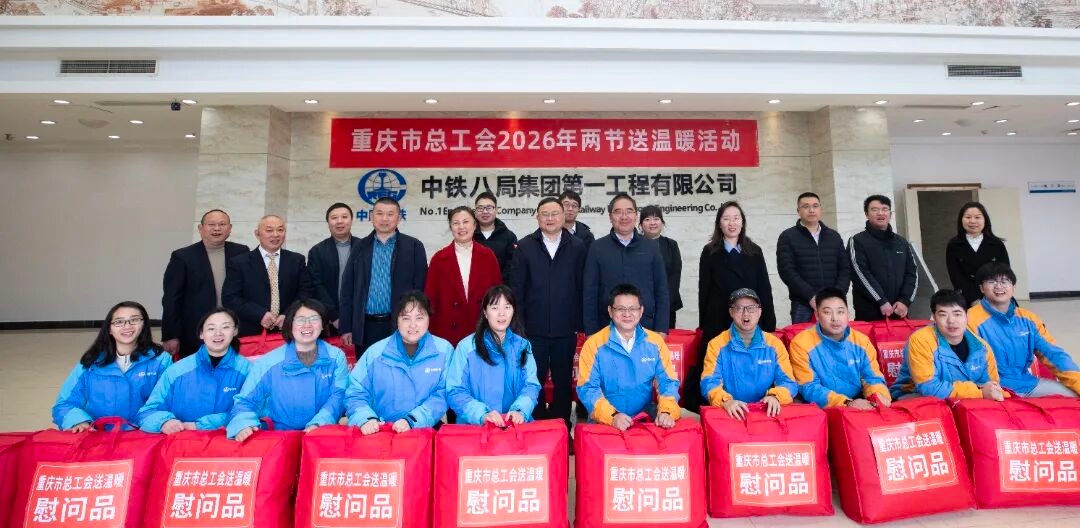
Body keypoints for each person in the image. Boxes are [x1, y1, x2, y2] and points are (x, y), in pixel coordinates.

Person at [506, 197, 587, 429]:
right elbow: (516, 289)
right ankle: (538, 425)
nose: (550, 218)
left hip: (566, 328)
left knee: (563, 381)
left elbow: (583, 286)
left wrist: (580, 323)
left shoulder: (578, 246)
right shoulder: (524, 246)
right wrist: (518, 326)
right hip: (533, 329)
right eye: (545, 214)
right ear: (537, 217)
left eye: (554, 214)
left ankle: (562, 426)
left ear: (563, 216)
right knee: (534, 379)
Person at [692, 201, 775, 412]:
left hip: (749, 316)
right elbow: (704, 290)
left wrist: (768, 323)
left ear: (742, 222)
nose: (732, 223)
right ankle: (720, 404)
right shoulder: (710, 251)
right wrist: (704, 324)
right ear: (719, 223)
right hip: (719, 317)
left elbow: (764, 288)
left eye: (736, 218)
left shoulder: (754, 251)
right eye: (726, 218)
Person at [227, 299, 348, 440]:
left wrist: (318, 424)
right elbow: (245, 401)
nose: (307, 325)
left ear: (322, 325)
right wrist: (244, 425)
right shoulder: (269, 362)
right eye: (300, 320)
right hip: (280, 437)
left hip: (322, 434)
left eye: (314, 319)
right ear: (290, 325)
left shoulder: (336, 357)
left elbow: (338, 396)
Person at [53, 301, 172, 431]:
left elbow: (170, 402)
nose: (127, 326)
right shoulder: (92, 361)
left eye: (134, 320)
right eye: (119, 322)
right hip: (98, 434)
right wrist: (78, 421)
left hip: (144, 434)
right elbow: (65, 404)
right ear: (109, 329)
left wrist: (161, 422)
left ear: (144, 325)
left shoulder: (160, 360)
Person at [346, 291, 454, 432]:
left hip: (425, 428)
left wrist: (412, 420)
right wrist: (366, 419)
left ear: (429, 318)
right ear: (397, 320)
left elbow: (444, 393)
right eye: (406, 318)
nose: (413, 325)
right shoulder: (376, 353)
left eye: (419, 318)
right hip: (382, 430)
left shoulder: (444, 350)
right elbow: (356, 392)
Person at [577, 284, 681, 430]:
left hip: (645, 417)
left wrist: (666, 412)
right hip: (605, 421)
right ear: (610, 311)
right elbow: (587, 388)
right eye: (620, 309)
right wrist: (612, 416)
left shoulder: (655, 342)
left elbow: (668, 382)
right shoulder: (593, 344)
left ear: (641, 311)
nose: (627, 314)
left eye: (633, 309)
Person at [967, 263, 1079, 397]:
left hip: (1028, 384)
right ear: (981, 288)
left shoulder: (1028, 319)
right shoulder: (970, 320)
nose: (998, 286)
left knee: (1073, 397)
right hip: (994, 390)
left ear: (1013, 288)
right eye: (991, 282)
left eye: (1004, 281)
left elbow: (1054, 355)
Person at [137, 308, 251, 433]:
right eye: (211, 328)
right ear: (201, 334)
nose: (218, 333)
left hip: (230, 442)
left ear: (235, 331)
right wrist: (164, 422)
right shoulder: (177, 370)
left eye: (225, 327)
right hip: (184, 441)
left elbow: (256, 411)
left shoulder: (248, 370)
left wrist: (203, 425)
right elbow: (147, 412)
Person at [340, 197, 428, 356]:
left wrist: (417, 324)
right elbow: (348, 288)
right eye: (379, 213)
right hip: (366, 326)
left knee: (401, 367)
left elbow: (420, 288)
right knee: (369, 368)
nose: (384, 219)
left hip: (401, 325)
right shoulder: (359, 247)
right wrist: (346, 327)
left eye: (390, 214)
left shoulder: (414, 246)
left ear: (399, 218)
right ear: (371, 217)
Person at [445, 285, 540, 426]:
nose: (502, 314)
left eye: (507, 307)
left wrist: (520, 410)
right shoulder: (466, 348)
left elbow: (530, 385)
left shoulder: (522, 346)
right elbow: (455, 391)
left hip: (513, 426)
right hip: (475, 428)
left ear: (513, 311)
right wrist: (482, 415)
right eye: (495, 308)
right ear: (485, 312)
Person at [162, 209, 249, 358]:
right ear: (200, 228)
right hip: (195, 333)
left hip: (234, 330)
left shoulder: (241, 252)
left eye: (222, 224)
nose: (217, 228)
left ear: (230, 228)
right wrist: (170, 335)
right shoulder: (182, 257)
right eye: (211, 224)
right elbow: (171, 298)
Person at [891, 289, 1004, 401]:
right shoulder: (920, 340)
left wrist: (983, 392)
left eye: (957, 314)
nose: (951, 321)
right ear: (934, 317)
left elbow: (992, 386)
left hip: (965, 401)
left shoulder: (982, 347)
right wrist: (978, 392)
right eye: (943, 315)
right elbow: (928, 388)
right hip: (915, 396)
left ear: (966, 316)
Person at [700, 289, 797, 419]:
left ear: (759, 312)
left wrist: (775, 397)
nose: (746, 313)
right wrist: (726, 401)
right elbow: (709, 382)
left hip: (765, 411)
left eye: (751, 308)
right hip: (731, 412)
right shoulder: (716, 345)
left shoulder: (774, 344)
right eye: (739, 308)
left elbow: (788, 382)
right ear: (731, 312)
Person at [788, 288, 892, 409]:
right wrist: (847, 403)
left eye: (840, 312)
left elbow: (872, 378)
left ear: (848, 314)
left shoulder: (862, 342)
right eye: (827, 312)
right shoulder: (801, 343)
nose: (835, 318)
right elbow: (809, 387)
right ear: (817, 315)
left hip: (859, 401)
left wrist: (878, 396)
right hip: (820, 406)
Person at [582, 193, 669, 335]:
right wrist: (591, 331)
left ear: (636, 215)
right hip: (606, 327)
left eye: (629, 211)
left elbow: (661, 289)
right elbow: (589, 292)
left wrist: (661, 328)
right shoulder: (597, 248)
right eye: (618, 212)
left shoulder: (651, 247)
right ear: (610, 217)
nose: (624, 216)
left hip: (646, 325)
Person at [222, 215, 312, 337]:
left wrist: (288, 314)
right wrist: (260, 314)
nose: (275, 235)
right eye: (269, 230)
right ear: (257, 234)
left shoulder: (297, 260)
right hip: (252, 332)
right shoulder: (239, 263)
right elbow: (230, 298)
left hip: (289, 330)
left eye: (280, 230)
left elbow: (305, 292)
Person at [425, 206, 502, 347]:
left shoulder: (488, 256)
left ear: (474, 225)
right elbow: (430, 301)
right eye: (456, 223)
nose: (461, 227)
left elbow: (497, 297)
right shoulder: (439, 259)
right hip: (448, 333)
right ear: (451, 227)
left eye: (466, 222)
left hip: (482, 329)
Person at [776, 192, 850, 324]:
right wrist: (810, 296)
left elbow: (845, 268)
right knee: (804, 337)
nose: (811, 210)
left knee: (836, 335)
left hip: (834, 302)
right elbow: (787, 271)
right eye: (806, 206)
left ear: (820, 209)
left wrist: (837, 294)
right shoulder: (788, 237)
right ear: (798, 211)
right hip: (803, 303)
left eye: (815, 206)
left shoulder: (834, 236)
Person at [848, 195, 918, 322]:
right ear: (866, 214)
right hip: (869, 312)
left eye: (885, 209)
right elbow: (860, 274)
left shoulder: (902, 242)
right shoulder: (857, 241)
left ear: (890, 214)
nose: (880, 213)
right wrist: (880, 300)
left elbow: (912, 273)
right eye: (875, 209)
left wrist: (905, 301)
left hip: (899, 311)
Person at [307, 203, 362, 333]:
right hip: (329, 319)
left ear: (351, 220)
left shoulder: (365, 247)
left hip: (361, 317)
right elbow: (316, 285)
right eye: (334, 218)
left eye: (344, 217)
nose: (339, 221)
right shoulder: (317, 251)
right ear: (328, 222)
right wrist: (333, 315)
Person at [946, 202, 1010, 307]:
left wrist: (994, 295)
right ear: (961, 220)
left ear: (985, 220)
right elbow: (956, 276)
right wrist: (973, 299)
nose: (972, 221)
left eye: (977, 217)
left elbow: (1005, 272)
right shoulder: (954, 245)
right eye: (968, 217)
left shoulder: (997, 244)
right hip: (966, 297)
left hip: (996, 295)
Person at [639, 205, 683, 328]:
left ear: (662, 223)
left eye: (656, 219)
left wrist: (664, 303)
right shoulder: (635, 245)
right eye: (647, 219)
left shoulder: (671, 245)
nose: (652, 223)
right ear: (640, 225)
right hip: (640, 307)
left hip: (667, 305)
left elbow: (675, 274)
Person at [473, 191, 518, 275]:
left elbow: (512, 266)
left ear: (496, 210)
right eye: (480, 208)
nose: (485, 211)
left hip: (500, 283)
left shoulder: (509, 236)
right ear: (475, 211)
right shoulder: (469, 235)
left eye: (489, 208)